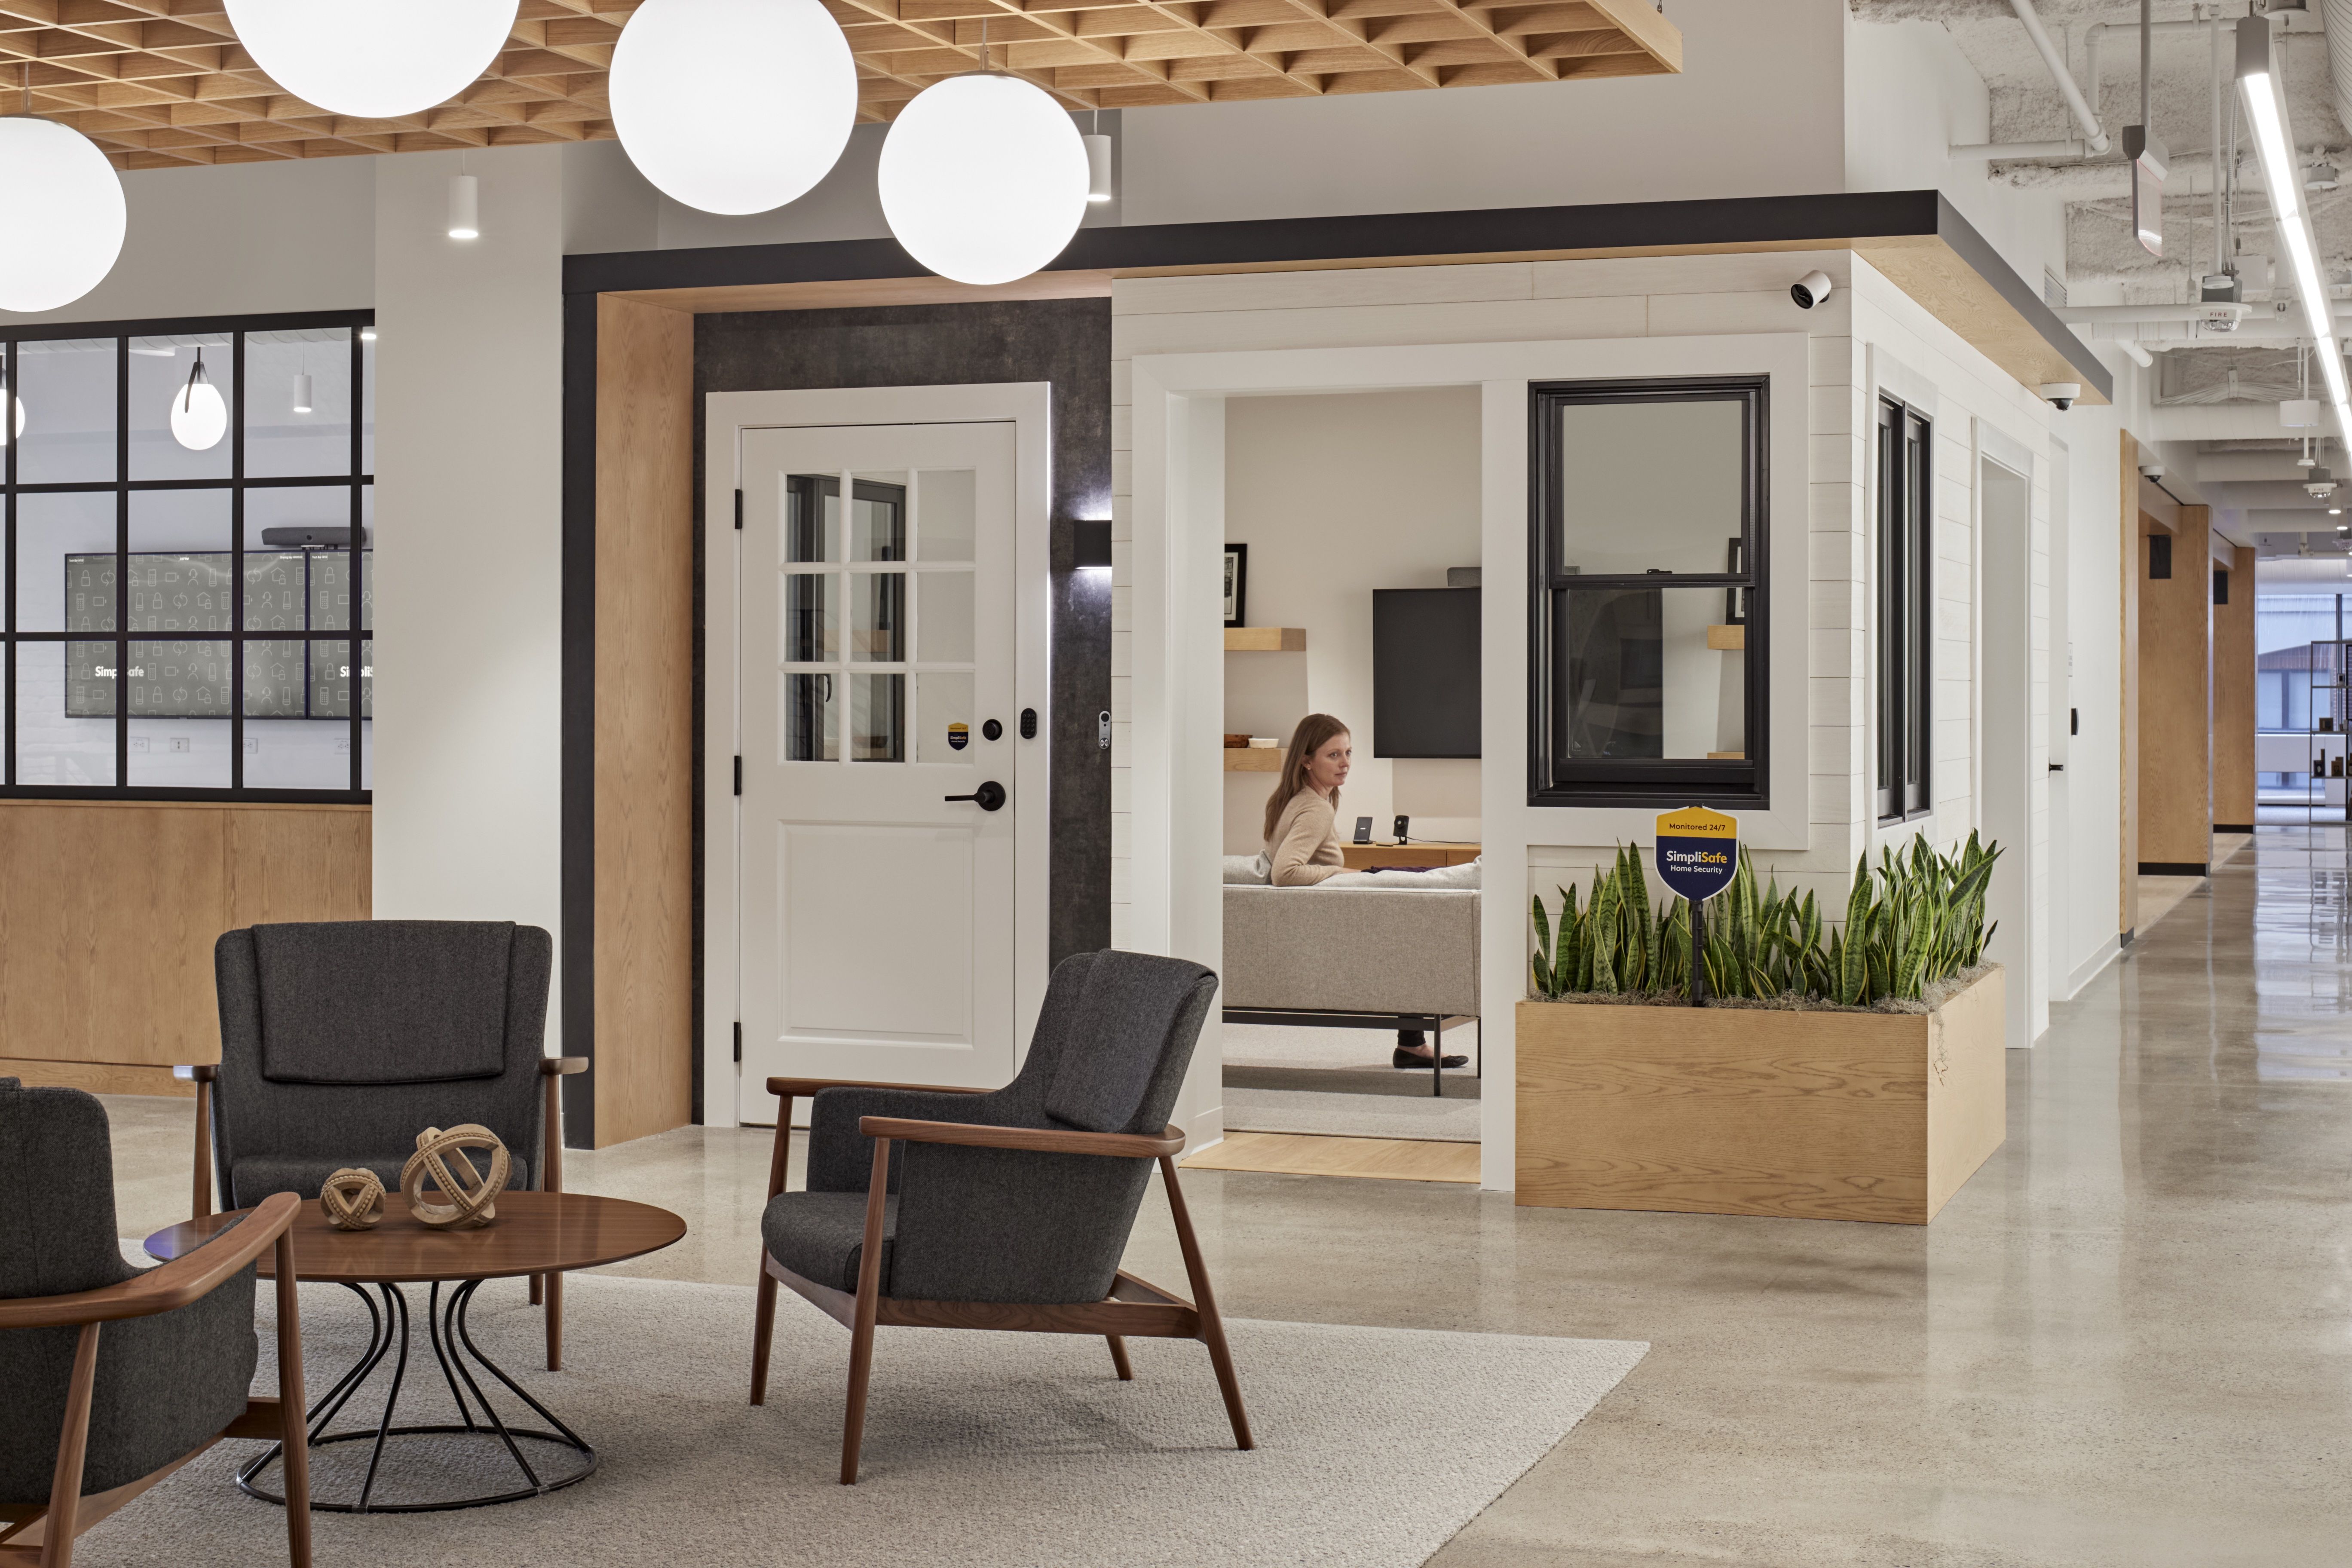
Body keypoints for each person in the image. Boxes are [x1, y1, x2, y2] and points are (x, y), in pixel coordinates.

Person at [1262, 713, 1467, 1070]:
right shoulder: (1315, 809)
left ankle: (1412, 1045)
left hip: (1321, 917)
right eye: (1333, 755)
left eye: (1348, 753)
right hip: (1330, 927)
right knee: (1421, 916)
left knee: (1416, 886)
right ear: (1306, 760)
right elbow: (1285, 873)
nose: (1345, 764)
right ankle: (1413, 1045)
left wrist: (1347, 873)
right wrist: (1342, 873)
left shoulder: (1294, 800)